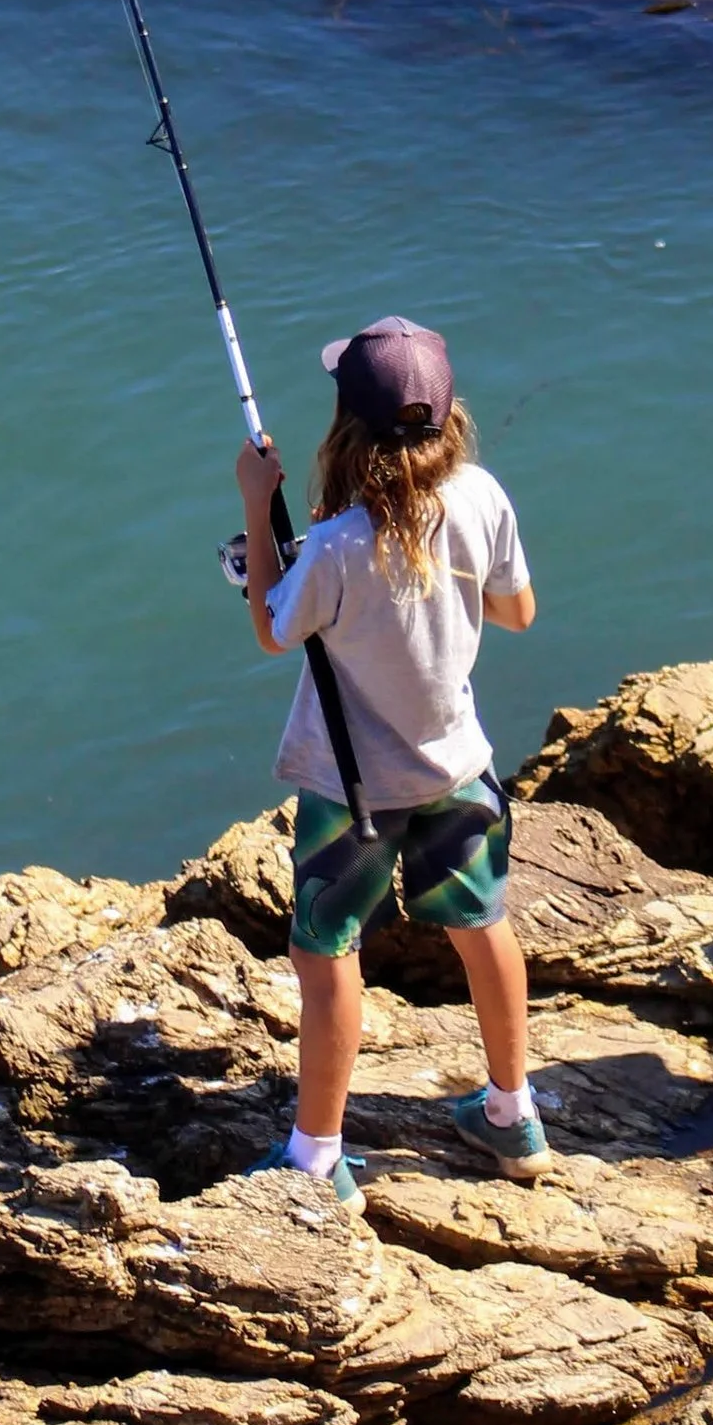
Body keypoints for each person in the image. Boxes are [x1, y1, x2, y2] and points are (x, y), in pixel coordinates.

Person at [232, 313, 546, 1206]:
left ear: (345, 430)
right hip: (458, 771)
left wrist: (260, 510)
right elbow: (518, 612)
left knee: (326, 953)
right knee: (483, 926)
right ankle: (511, 1113)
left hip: (352, 797)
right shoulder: (482, 498)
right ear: (448, 418)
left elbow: (269, 627)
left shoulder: (332, 547)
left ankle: (315, 1158)